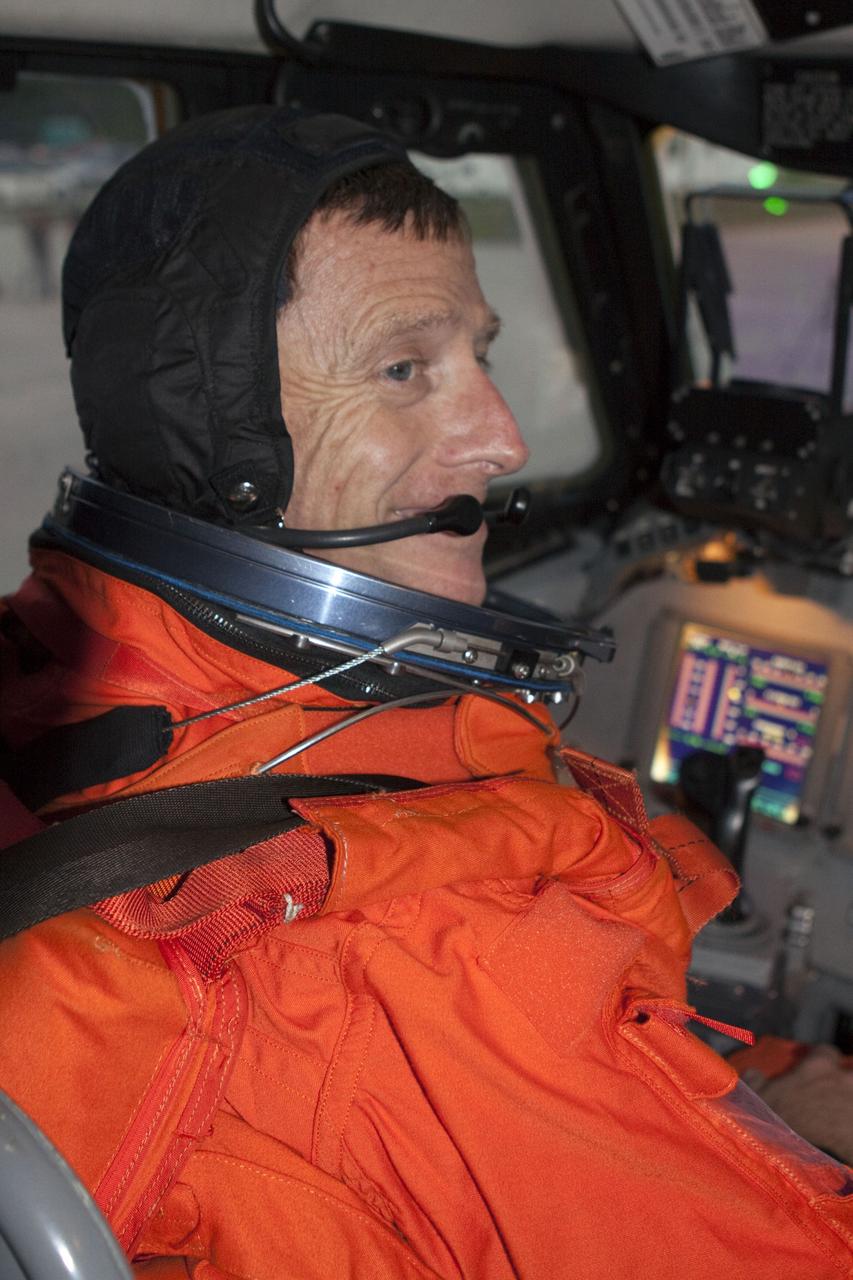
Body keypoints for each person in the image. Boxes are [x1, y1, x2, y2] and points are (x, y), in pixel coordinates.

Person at [0, 106, 851, 1280]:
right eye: (404, 368)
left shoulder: (42, 667)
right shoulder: (422, 944)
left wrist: (746, 1082)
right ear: (214, 433)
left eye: (480, 356)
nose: (498, 439)